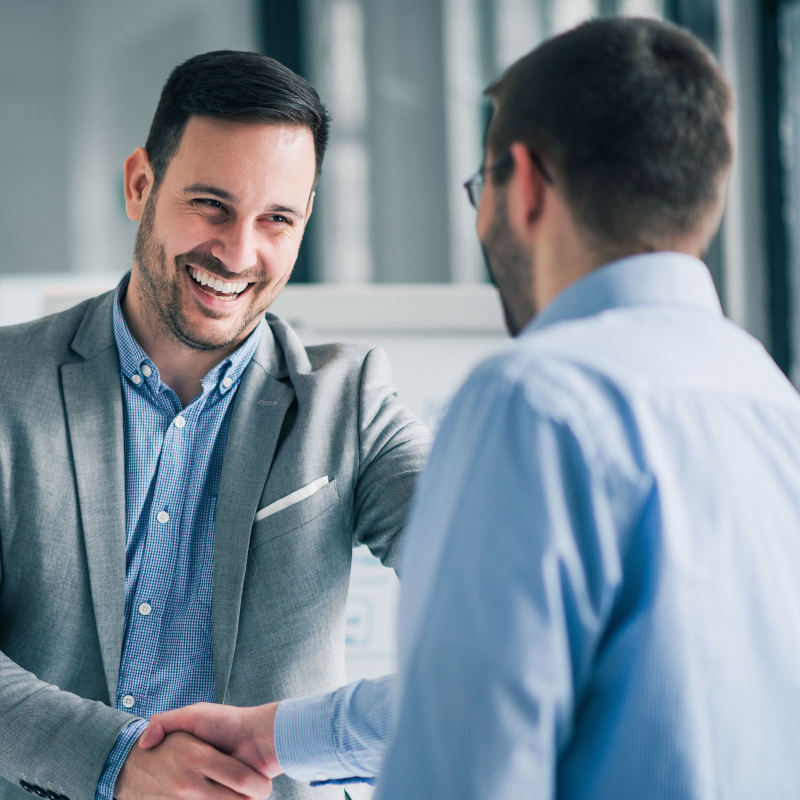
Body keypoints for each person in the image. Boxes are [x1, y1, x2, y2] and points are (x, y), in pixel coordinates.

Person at [140, 16, 800, 799]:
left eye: (481, 187)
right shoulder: (771, 401)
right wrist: (277, 735)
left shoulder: (535, 401)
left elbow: (465, 755)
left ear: (524, 185)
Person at [0, 50, 430, 800]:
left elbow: (512, 601)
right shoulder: (9, 383)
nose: (237, 253)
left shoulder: (351, 404)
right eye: (210, 205)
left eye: (277, 220)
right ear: (141, 184)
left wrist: (301, 739)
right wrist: (117, 762)